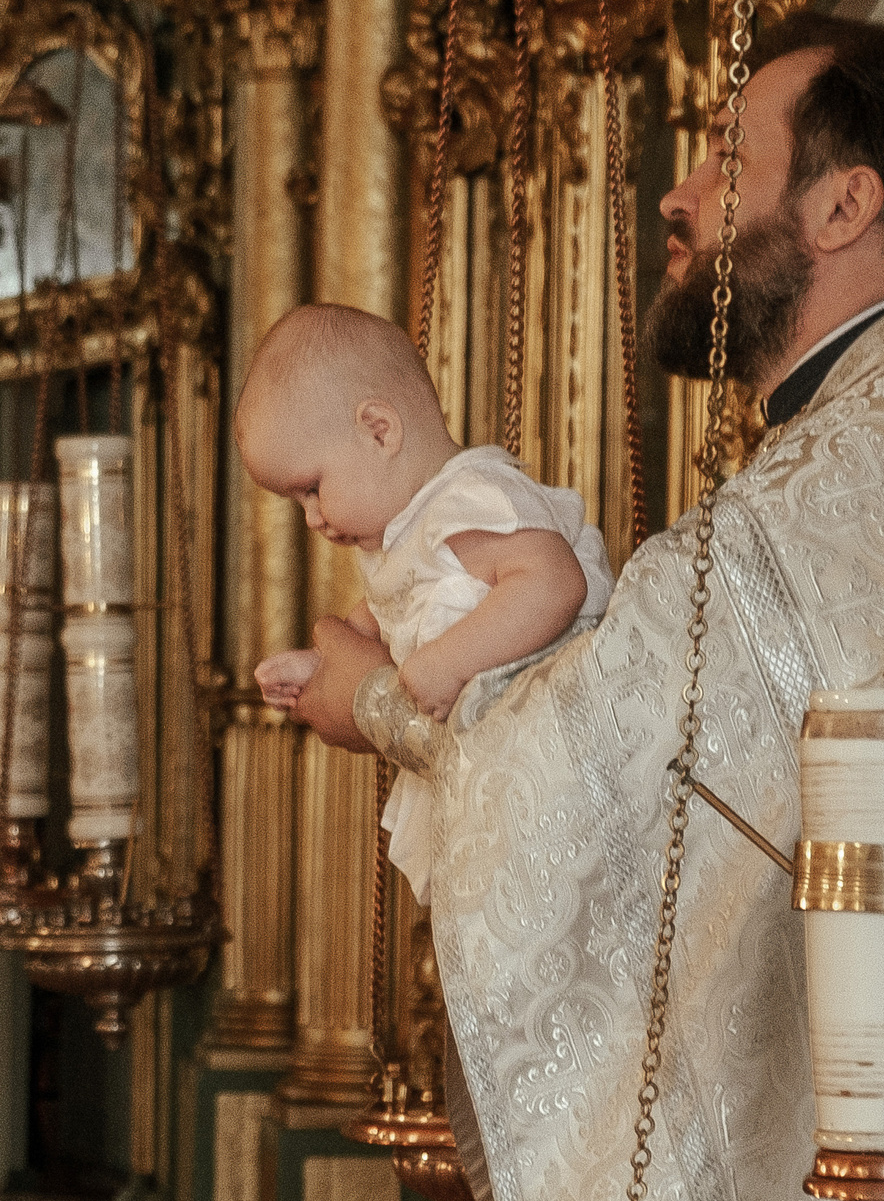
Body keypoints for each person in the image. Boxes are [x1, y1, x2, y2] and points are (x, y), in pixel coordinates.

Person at [288, 13, 884, 1201]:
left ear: (844, 203)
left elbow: (584, 759)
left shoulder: (839, 478)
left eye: (726, 156)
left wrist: (377, 699)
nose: (680, 192)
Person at [235, 303, 615, 903]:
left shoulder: (468, 502)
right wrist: (320, 665)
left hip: (561, 770)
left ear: (379, 429)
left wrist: (446, 663)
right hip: (489, 783)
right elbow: (382, 621)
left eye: (312, 488)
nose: (312, 519)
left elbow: (553, 584)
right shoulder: (408, 535)